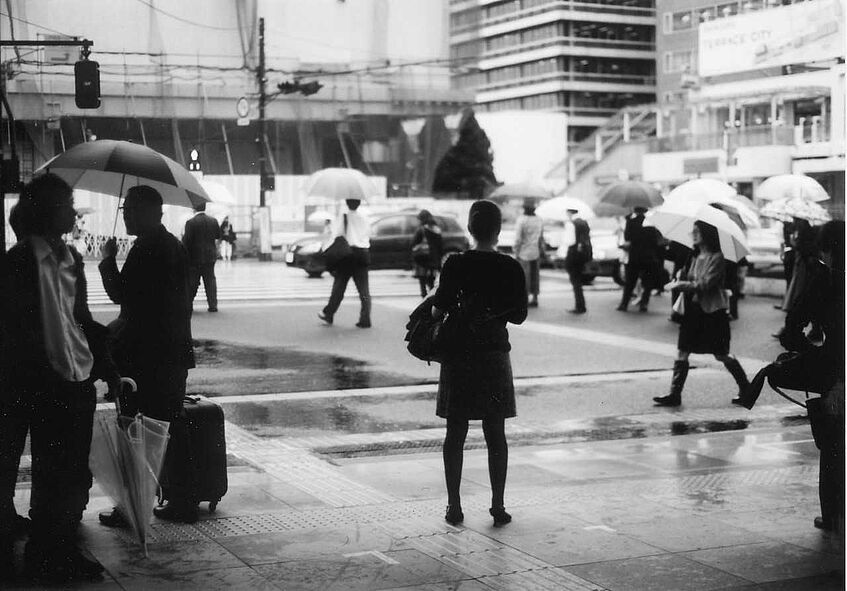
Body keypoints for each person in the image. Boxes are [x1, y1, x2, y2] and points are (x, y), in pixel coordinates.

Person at [0, 174, 120, 583]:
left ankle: (59, 550)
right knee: (49, 474)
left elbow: (79, 320)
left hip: (76, 381)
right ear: (47, 211)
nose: (73, 211)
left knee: (69, 475)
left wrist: (106, 366)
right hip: (36, 382)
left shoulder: (72, 258)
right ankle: (43, 554)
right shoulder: (16, 263)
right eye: (67, 204)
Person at [98, 185, 198, 524]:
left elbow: (121, 295)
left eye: (131, 211)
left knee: (136, 430)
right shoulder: (172, 245)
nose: (125, 215)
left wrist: (107, 259)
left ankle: (133, 506)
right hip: (172, 353)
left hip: (147, 358)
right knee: (168, 426)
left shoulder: (148, 249)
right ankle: (183, 500)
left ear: (151, 212)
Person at [430, 199, 527, 527]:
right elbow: (520, 316)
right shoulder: (510, 266)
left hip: (459, 356)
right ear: (498, 230)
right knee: (495, 432)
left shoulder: (455, 264)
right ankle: (498, 505)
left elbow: (437, 309)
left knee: (455, 431)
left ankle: (454, 506)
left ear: (470, 229)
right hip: (494, 356)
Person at [653, 221, 749, 407]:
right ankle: (675, 394)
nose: (694, 234)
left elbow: (706, 284)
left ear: (706, 234)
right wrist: (681, 277)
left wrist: (683, 285)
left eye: (698, 231)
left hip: (712, 312)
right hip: (693, 311)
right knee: (682, 351)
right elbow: (690, 278)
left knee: (721, 354)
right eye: (693, 231)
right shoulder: (694, 256)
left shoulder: (717, 257)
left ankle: (746, 387)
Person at [318, 198, 372, 328]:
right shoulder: (365, 217)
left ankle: (329, 313)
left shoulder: (344, 216)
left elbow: (338, 235)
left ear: (347, 203)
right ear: (359, 203)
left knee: (339, 287)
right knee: (364, 290)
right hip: (363, 254)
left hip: (348, 255)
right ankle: (365, 319)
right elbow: (368, 234)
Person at [617, 206, 661, 313]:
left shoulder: (631, 222)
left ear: (635, 211)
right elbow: (655, 241)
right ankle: (644, 304)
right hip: (648, 257)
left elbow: (627, 238)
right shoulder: (651, 223)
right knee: (648, 283)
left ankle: (624, 304)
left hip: (634, 256)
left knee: (630, 282)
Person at [183, 201, 221, 312]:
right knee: (210, 280)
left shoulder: (190, 222)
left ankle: (188, 304)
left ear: (194, 208)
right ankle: (213, 305)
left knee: (193, 281)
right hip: (210, 256)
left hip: (194, 257)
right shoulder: (213, 221)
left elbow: (186, 241)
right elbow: (218, 236)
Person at [513, 198, 544, 307]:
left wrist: (515, 251)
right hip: (535, 251)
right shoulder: (539, 220)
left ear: (524, 208)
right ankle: (535, 297)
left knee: (524, 277)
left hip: (523, 253)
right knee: (535, 276)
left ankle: (524, 299)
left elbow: (518, 238)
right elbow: (541, 237)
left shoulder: (521, 220)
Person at [563, 208, 591, 314]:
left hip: (573, 254)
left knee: (575, 281)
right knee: (578, 280)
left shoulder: (571, 224)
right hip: (583, 255)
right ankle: (581, 305)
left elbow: (570, 241)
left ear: (569, 212)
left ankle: (579, 306)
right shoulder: (584, 222)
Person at [411, 209, 443, 298]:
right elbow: (440, 247)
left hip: (422, 259)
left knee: (422, 284)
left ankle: (424, 302)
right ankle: (431, 300)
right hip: (433, 260)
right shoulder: (437, 230)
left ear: (421, 219)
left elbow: (413, 243)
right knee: (431, 283)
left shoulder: (421, 230)